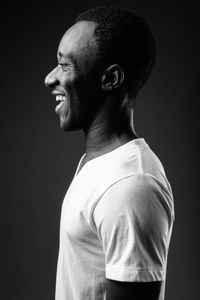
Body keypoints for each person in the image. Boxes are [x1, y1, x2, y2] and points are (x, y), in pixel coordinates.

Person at [45, 6, 175, 300]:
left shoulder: (130, 186)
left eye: (65, 66)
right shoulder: (102, 164)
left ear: (111, 79)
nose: (49, 78)